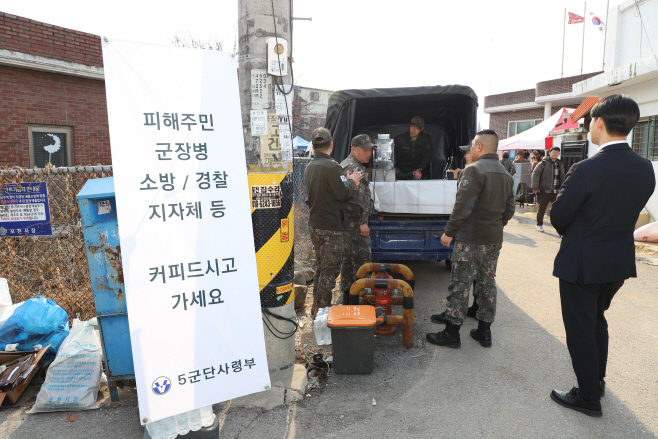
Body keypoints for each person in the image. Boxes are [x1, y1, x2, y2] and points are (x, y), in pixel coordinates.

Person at [549, 95, 655, 417]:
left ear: (598, 122)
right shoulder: (645, 167)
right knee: (596, 321)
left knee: (581, 328)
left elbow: (559, 217)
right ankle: (596, 382)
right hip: (617, 262)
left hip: (582, 262)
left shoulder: (585, 169)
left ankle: (587, 397)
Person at [427, 130, 515, 349]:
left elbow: (462, 207)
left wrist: (449, 232)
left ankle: (452, 333)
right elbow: (510, 209)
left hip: (471, 239)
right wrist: (495, 225)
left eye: (472, 146)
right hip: (493, 239)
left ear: (479, 147)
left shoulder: (474, 171)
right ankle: (484, 332)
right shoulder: (506, 174)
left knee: (460, 284)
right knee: (487, 284)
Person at [304, 128, 364, 315]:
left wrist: (344, 182)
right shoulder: (333, 167)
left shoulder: (309, 166)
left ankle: (316, 305)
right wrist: (352, 181)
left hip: (315, 224)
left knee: (321, 267)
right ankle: (322, 312)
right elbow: (343, 194)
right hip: (331, 227)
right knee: (330, 272)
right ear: (331, 144)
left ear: (313, 146)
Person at [340, 134, 375, 305]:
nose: (369, 153)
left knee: (348, 260)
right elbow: (353, 199)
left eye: (370, 150)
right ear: (354, 149)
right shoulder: (351, 168)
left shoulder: (353, 165)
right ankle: (362, 301)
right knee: (362, 260)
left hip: (350, 224)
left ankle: (349, 298)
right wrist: (362, 221)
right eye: (365, 149)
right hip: (354, 224)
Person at [531, 147, 565, 232]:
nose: (555, 154)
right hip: (545, 190)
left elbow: (563, 176)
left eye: (557, 152)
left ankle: (557, 226)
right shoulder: (543, 163)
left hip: (557, 190)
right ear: (549, 153)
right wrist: (535, 187)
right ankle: (539, 224)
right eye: (554, 152)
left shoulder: (560, 163)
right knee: (542, 208)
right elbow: (535, 174)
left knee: (558, 209)